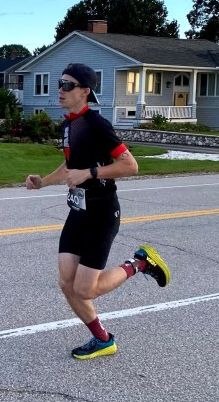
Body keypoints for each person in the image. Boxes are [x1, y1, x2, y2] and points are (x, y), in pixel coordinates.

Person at [25, 62, 170, 359]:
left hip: (102, 213)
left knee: (85, 290)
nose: (60, 89)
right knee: (66, 282)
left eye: (67, 85)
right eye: (60, 83)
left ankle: (139, 263)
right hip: (79, 212)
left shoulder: (96, 124)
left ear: (85, 91)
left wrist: (90, 173)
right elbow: (70, 165)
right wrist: (43, 182)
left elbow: (130, 166)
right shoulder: (69, 124)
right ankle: (103, 340)